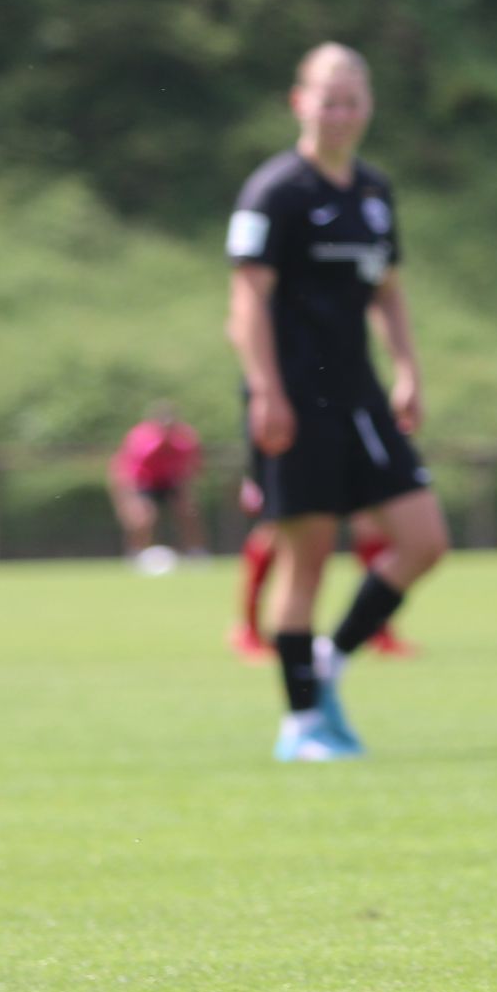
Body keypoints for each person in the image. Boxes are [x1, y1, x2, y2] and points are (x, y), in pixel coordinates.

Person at [225, 44, 452, 761]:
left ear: (368, 108)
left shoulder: (375, 193)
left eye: (352, 100)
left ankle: (331, 661)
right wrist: (266, 391)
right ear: (301, 102)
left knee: (424, 541)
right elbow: (246, 302)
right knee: (310, 560)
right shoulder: (275, 192)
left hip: (359, 397)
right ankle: (301, 725)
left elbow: (386, 289)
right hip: (294, 401)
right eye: (328, 98)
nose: (340, 112)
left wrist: (408, 367)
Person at [229, 467, 410, 663]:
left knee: (370, 523)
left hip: (351, 443)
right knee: (276, 528)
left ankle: (377, 631)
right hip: (297, 452)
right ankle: (250, 630)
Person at [109, 408, 207, 562]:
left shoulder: (185, 439)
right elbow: (127, 471)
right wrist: (130, 498)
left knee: (188, 511)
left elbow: (194, 465)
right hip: (142, 480)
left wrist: (185, 489)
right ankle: (136, 553)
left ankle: (196, 552)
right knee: (143, 517)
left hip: (170, 480)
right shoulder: (140, 438)